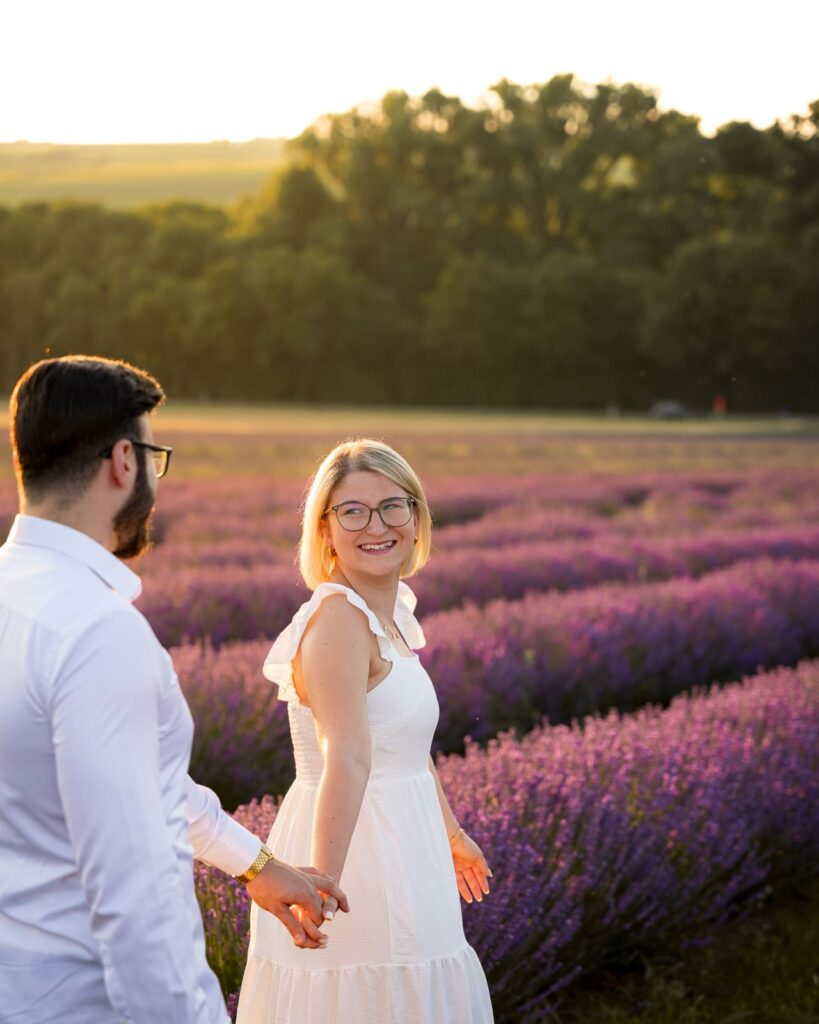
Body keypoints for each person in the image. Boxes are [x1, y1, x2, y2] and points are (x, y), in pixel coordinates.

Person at [0, 356, 348, 1024]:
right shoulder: (97, 634)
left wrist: (254, 864)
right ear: (123, 463)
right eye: (155, 459)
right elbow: (134, 893)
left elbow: (131, 779)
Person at [237, 439, 494, 1023]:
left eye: (392, 507)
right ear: (324, 529)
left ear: (417, 518)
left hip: (410, 843)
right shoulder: (337, 621)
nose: (375, 525)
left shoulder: (391, 616)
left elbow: (407, 751)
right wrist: (320, 881)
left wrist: (450, 834)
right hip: (357, 849)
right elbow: (347, 758)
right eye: (352, 511)